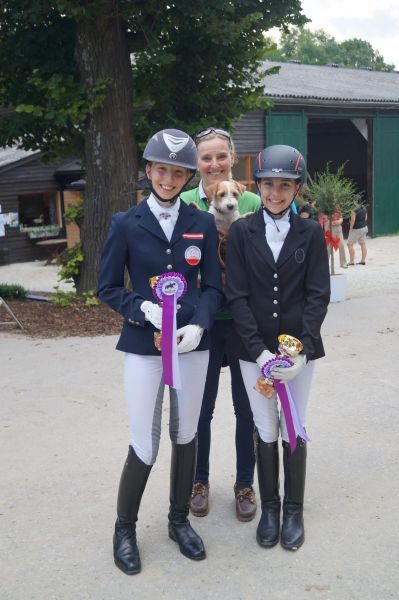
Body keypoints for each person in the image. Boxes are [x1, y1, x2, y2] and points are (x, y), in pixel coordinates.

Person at [97, 129, 223, 574]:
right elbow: (107, 287)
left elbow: (213, 289)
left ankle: (178, 520)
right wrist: (143, 308)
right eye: (161, 169)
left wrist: (201, 324)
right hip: (143, 345)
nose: (168, 178)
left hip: (192, 345)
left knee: (186, 433)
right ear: (148, 170)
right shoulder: (125, 223)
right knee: (144, 442)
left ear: (188, 176)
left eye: (177, 172)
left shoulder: (202, 223)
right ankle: (124, 528)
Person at [224, 144, 330, 551]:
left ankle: (294, 509)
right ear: (260, 185)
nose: (275, 193)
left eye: (285, 185)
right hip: (254, 352)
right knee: (265, 427)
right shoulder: (241, 231)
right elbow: (237, 296)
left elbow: (318, 294)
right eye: (269, 184)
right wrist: (260, 351)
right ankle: (270, 507)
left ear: (296, 188)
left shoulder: (311, 232)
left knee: (294, 426)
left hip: (298, 352)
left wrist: (300, 350)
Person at [180, 127, 261, 521]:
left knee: (247, 409)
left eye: (220, 156)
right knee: (201, 409)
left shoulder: (254, 200)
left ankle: (245, 483)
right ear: (197, 164)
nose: (214, 165)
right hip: (203, 320)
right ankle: (199, 481)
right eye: (206, 158)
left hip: (245, 321)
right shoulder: (183, 203)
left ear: (233, 157)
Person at [347, 199, 368, 265]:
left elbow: (353, 220)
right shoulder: (364, 208)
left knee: (349, 244)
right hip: (364, 228)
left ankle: (351, 261)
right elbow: (366, 218)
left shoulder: (354, 210)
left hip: (356, 229)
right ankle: (363, 261)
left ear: (355, 201)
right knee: (363, 244)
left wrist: (350, 229)